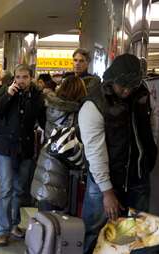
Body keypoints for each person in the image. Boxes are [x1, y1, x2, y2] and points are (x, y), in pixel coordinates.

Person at [78, 54, 157, 254]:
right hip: (105, 179)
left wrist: (149, 158)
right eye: (123, 85)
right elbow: (95, 152)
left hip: (137, 176)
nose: (127, 90)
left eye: (132, 85)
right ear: (112, 79)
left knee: (135, 235)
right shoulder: (94, 104)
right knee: (96, 232)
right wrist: (107, 191)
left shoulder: (141, 94)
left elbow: (151, 126)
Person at [0, 64, 46, 247]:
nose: (21, 81)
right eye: (18, 77)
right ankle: (2, 230)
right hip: (6, 147)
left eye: (25, 77)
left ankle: (14, 224)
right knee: (5, 188)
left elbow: (43, 119)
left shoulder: (37, 96)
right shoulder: (6, 93)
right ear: (14, 78)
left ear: (31, 78)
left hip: (25, 148)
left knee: (19, 189)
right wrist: (8, 95)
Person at [32, 76, 87, 211]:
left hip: (47, 158)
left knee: (46, 214)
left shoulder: (52, 107)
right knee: (58, 219)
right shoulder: (76, 111)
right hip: (63, 163)